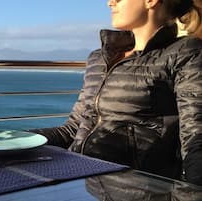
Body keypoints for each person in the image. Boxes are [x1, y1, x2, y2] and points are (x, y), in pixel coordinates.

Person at [29, 0, 202, 186]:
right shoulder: (99, 58)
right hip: (82, 181)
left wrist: (192, 191)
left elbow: (195, 137)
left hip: (137, 188)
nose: (110, 3)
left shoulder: (185, 53)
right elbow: (72, 129)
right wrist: (11, 139)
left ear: (150, 2)